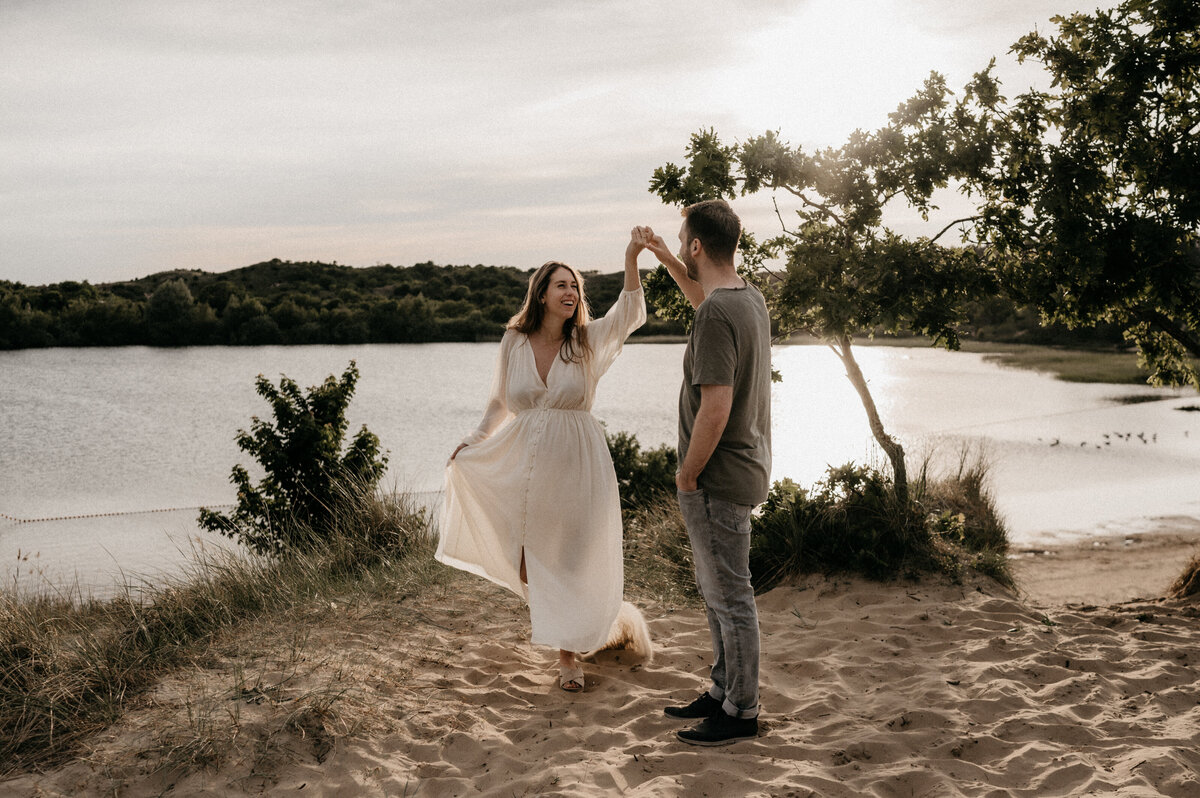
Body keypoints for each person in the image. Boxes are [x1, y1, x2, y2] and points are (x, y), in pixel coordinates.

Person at [437, 230, 654, 693]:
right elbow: (500, 399)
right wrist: (476, 438)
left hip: (577, 460)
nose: (571, 292)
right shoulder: (514, 341)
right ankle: (590, 621)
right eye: (562, 284)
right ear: (541, 293)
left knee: (570, 557)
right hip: (524, 457)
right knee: (525, 560)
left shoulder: (588, 341)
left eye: (575, 286)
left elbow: (629, 313)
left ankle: (568, 657)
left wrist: (631, 257)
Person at [642, 199, 772, 745]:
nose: (680, 245)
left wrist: (687, 475)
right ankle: (722, 689)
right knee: (717, 589)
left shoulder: (719, 313)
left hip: (717, 479)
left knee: (731, 597)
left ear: (698, 243)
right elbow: (700, 296)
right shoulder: (744, 299)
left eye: (681, 240)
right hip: (739, 472)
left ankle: (741, 711)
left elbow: (715, 406)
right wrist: (664, 257)